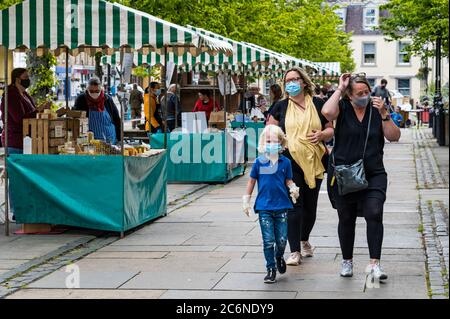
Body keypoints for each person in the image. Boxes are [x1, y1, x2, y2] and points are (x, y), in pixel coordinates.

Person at [322, 73, 401, 280]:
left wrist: (385, 114)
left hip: (373, 172)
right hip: (345, 173)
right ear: (349, 96)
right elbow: (327, 113)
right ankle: (347, 260)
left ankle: (374, 264)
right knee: (346, 217)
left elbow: (394, 137)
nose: (365, 96)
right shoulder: (343, 107)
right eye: (359, 93)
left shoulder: (377, 110)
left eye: (367, 92)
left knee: (374, 212)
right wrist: (340, 88)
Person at [268, 67, 334, 266]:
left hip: (316, 160)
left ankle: (304, 238)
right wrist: (275, 147)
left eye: (296, 79)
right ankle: (295, 250)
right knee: (294, 206)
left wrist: (322, 135)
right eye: (288, 80)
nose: (292, 83)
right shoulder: (280, 106)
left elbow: (330, 128)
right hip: (289, 162)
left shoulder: (318, 104)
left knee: (310, 207)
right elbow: (269, 131)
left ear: (304, 82)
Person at [243, 124, 300, 283]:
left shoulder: (285, 162)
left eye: (275, 141)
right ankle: (270, 268)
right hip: (264, 207)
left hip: (282, 206)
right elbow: (251, 181)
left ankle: (279, 256)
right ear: (263, 142)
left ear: (281, 143)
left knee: (281, 240)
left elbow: (288, 180)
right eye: (268, 140)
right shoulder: (259, 162)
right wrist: (246, 200)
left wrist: (293, 188)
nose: (271, 144)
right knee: (268, 240)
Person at [0, 68, 48, 153]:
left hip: (26, 139)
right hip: (15, 141)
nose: (28, 80)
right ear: (17, 80)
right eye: (25, 77)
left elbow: (31, 112)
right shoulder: (11, 95)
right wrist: (38, 110)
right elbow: (20, 118)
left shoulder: (25, 94)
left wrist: (41, 110)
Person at [73, 77, 121, 144]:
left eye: (97, 91)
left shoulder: (107, 99)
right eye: (91, 91)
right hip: (89, 141)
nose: (94, 93)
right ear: (87, 89)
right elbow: (75, 118)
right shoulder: (81, 99)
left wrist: (119, 138)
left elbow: (116, 119)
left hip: (109, 139)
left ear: (101, 89)